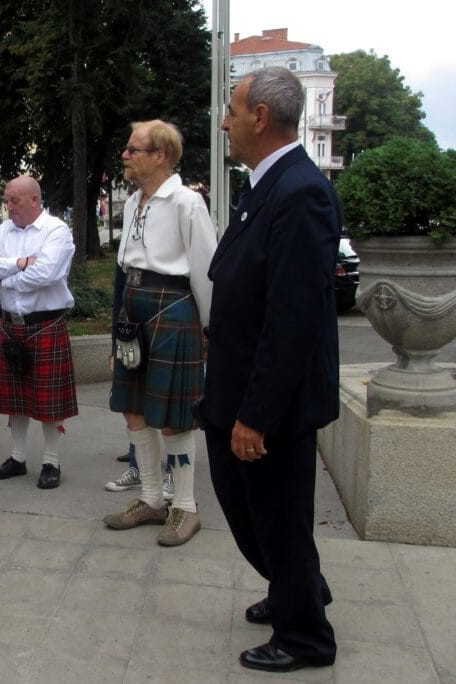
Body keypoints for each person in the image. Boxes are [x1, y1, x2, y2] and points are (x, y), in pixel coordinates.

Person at [202, 67, 340, 673]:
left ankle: (306, 635)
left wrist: (255, 416)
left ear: (260, 116)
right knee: (250, 510)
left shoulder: (301, 191)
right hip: (236, 388)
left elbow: (293, 320)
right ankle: (298, 589)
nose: (224, 121)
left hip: (270, 408)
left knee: (277, 517)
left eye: (232, 109)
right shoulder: (266, 184)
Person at [104, 120, 216, 547]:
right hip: (135, 306)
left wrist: (209, 329)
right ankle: (152, 500)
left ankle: (185, 508)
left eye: (133, 149)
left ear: (160, 155)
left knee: (174, 416)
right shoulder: (134, 201)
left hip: (173, 308)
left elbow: (206, 271)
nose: (125, 156)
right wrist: (118, 327)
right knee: (134, 409)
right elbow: (122, 268)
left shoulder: (187, 203)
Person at [0, 176, 77, 489]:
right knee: (16, 399)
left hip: (46, 323)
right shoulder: (4, 230)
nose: (8, 207)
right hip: (12, 325)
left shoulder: (56, 230)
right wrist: (20, 263)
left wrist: (5, 275)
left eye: (14, 201)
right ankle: (17, 459)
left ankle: (51, 462)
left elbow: (47, 272)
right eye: (7, 201)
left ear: (34, 199)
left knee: (48, 402)